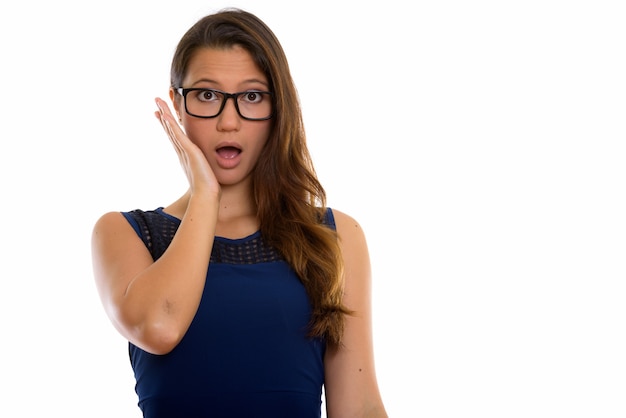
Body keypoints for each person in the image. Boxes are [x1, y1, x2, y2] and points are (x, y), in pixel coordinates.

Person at [91, 7, 387, 418]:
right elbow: (159, 327)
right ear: (177, 104)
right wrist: (205, 196)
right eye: (207, 95)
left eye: (251, 96)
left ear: (277, 107)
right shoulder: (127, 233)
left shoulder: (334, 235)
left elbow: (360, 408)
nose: (229, 122)